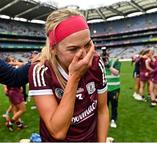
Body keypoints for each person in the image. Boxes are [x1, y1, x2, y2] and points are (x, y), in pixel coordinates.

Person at [28, 8, 109, 142]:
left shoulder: (96, 63)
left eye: (87, 44)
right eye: (73, 49)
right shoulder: (41, 71)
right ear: (53, 49)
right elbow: (58, 132)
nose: (84, 54)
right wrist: (74, 77)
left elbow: (102, 110)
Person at [101, 47, 121, 128]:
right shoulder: (100, 62)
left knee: (114, 105)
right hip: (104, 88)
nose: (105, 54)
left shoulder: (116, 61)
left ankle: (113, 119)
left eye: (106, 52)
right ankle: (104, 120)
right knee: (104, 106)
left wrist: (108, 65)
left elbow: (116, 73)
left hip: (114, 88)